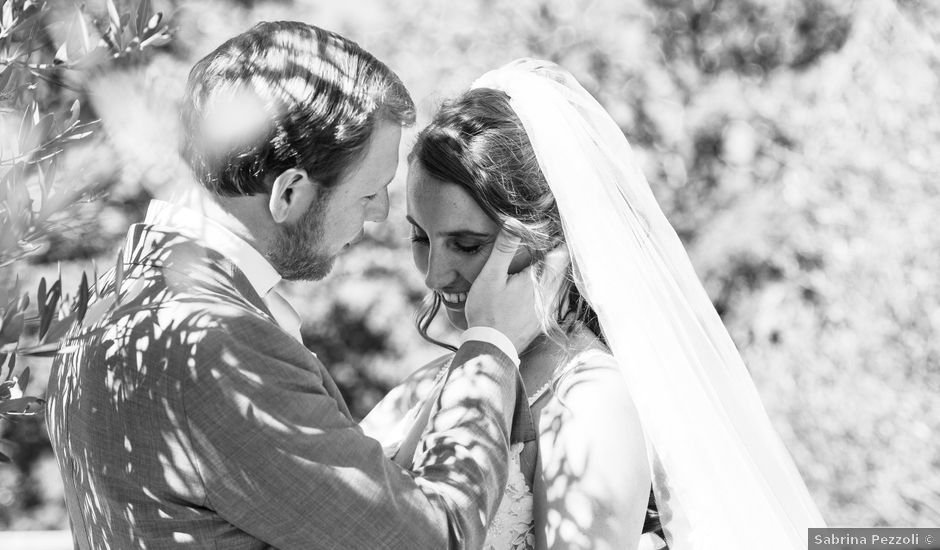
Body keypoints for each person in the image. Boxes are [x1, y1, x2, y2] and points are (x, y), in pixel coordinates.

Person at [44, 23, 564, 550]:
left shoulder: (110, 302)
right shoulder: (218, 346)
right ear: (289, 191)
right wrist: (487, 344)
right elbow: (437, 540)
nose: (383, 214)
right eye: (369, 194)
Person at [362, 60, 826, 549]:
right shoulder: (431, 381)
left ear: (549, 240)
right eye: (420, 236)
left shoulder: (588, 398)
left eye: (468, 244)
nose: (434, 274)